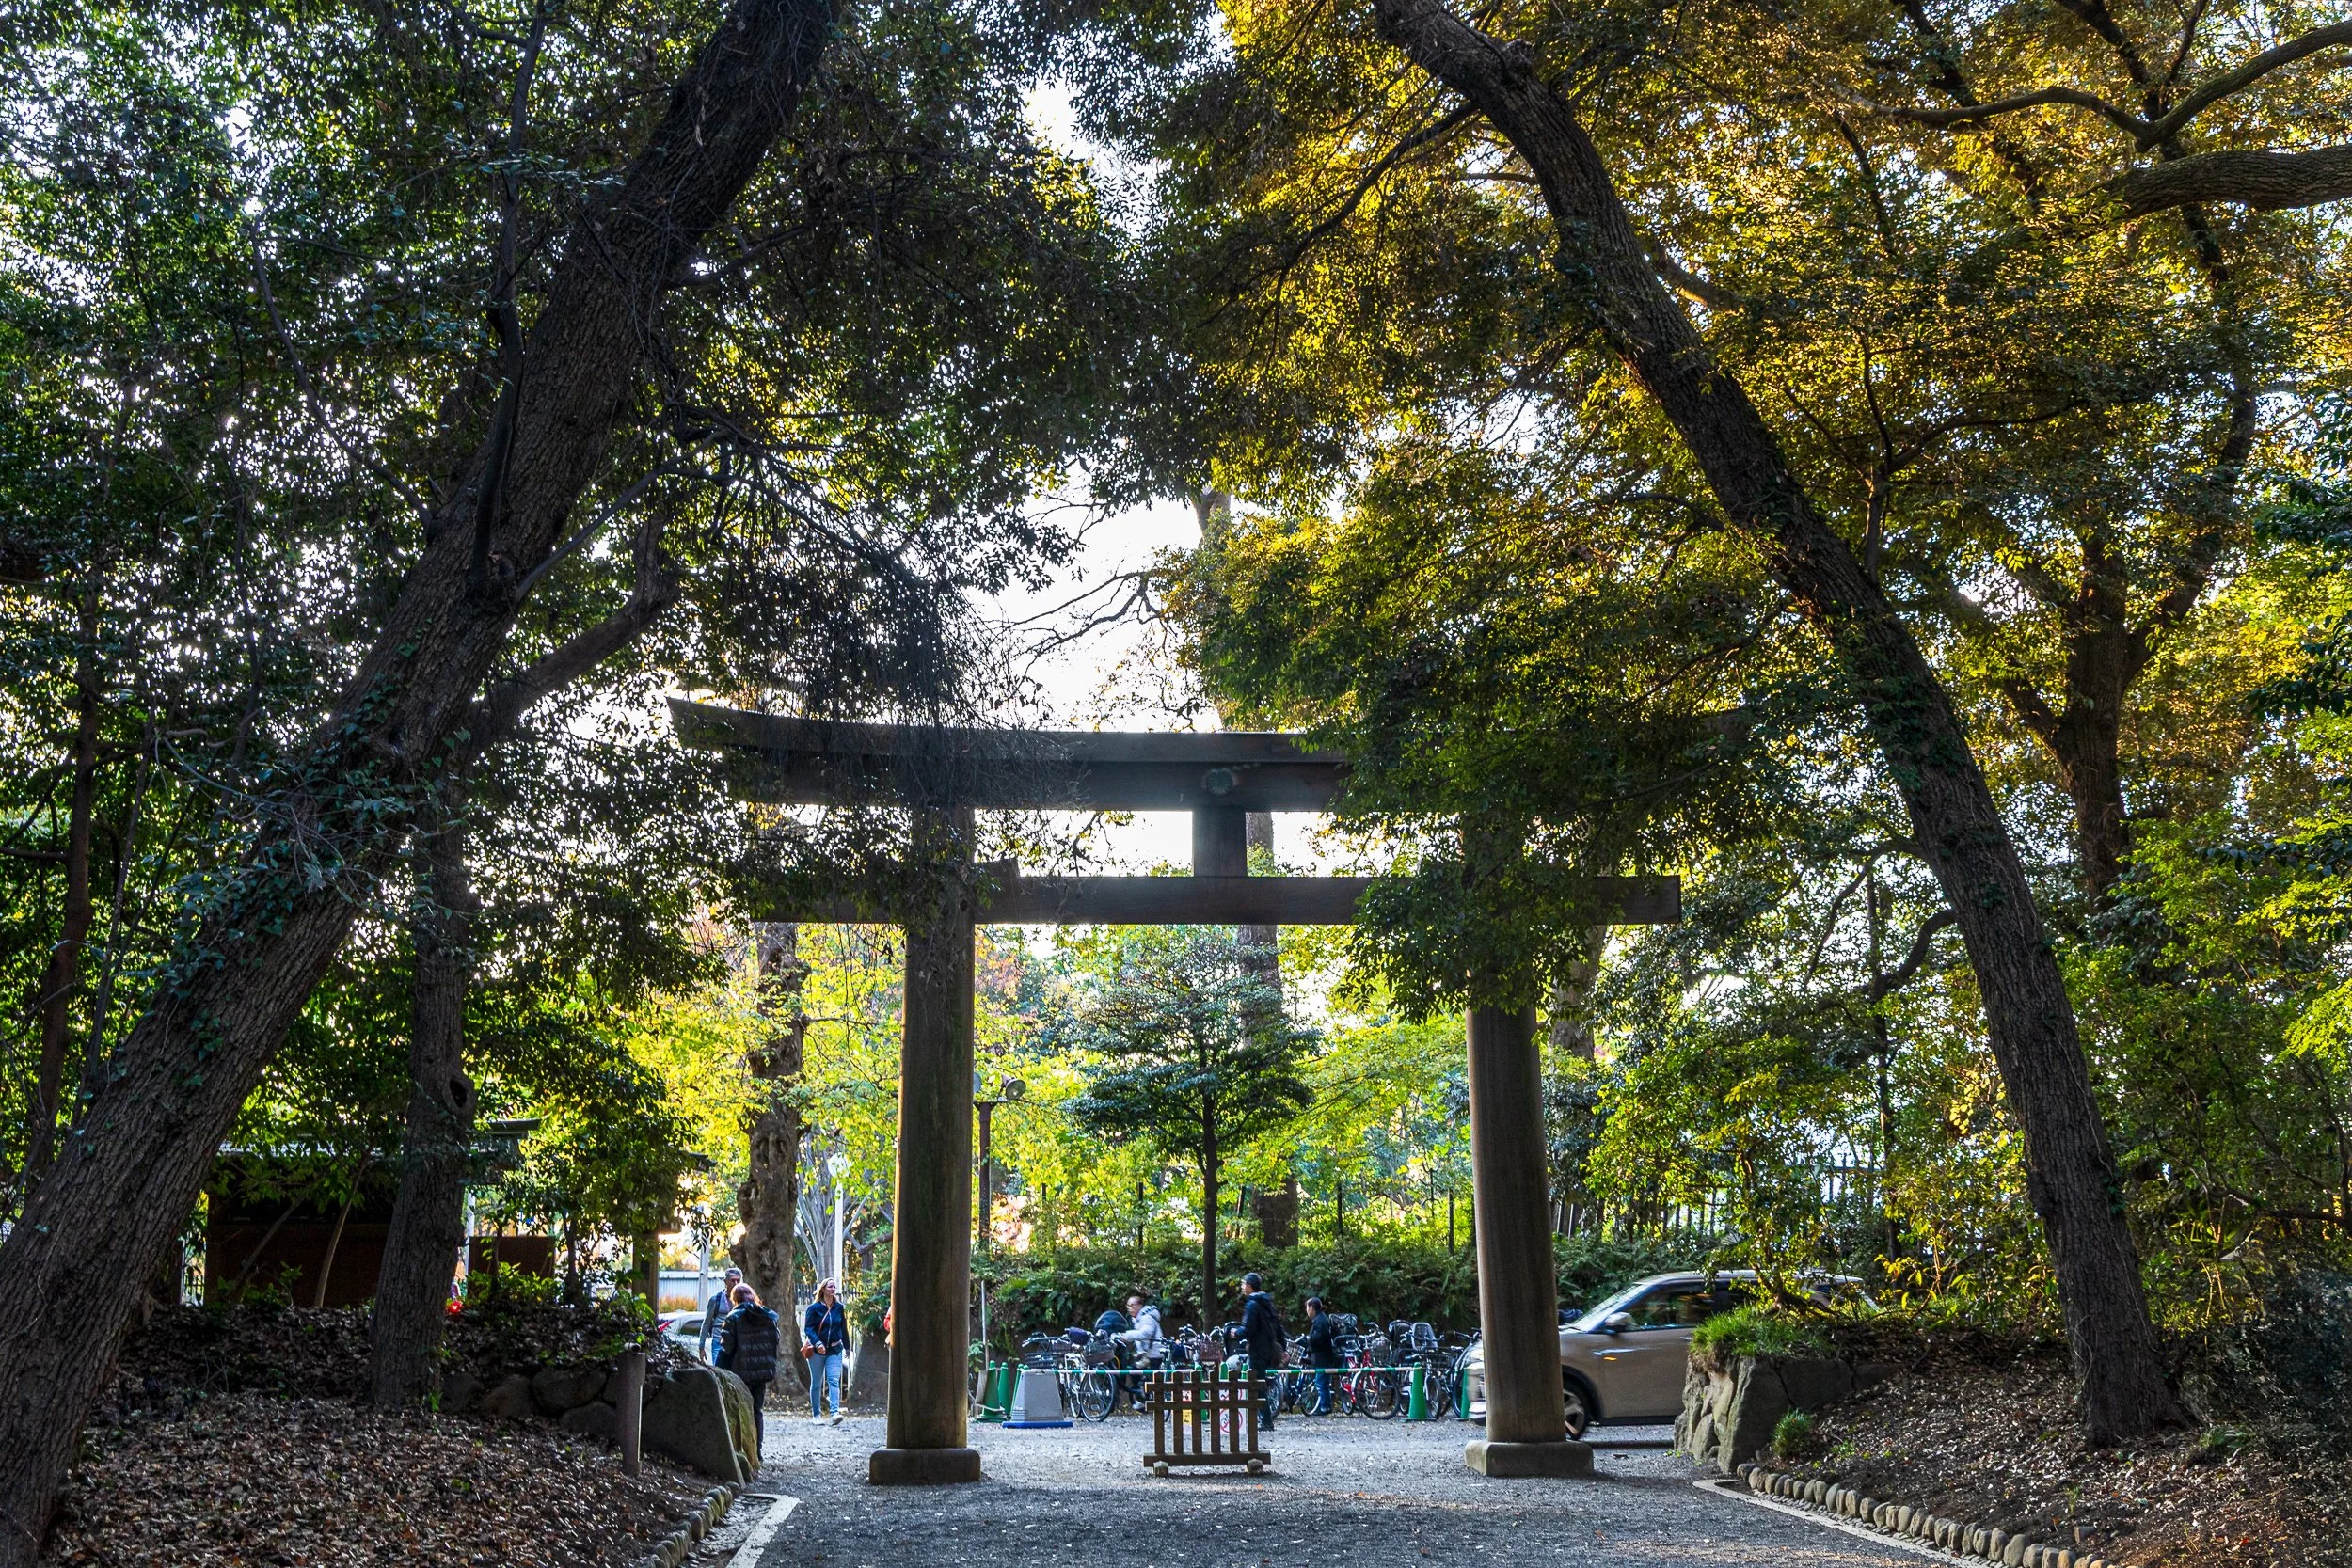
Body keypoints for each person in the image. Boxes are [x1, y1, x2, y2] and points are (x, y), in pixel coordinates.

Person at [721, 1282, 782, 1422]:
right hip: (762, 1371)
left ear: (734, 1298)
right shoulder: (768, 1316)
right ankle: (758, 1444)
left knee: (741, 1409)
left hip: (740, 1371)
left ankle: (744, 1443)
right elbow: (776, 1339)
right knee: (757, 1410)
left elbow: (727, 1347)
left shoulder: (733, 1317)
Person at [1238, 1272, 1284, 1429]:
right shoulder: (1267, 1303)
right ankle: (1264, 1418)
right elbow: (1278, 1327)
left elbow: (1248, 1328)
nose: (1242, 1287)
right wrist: (1283, 1346)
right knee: (1260, 1382)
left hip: (1257, 1349)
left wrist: (1235, 1333)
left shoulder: (1252, 1305)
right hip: (1269, 1348)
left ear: (1250, 1287)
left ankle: (1265, 1420)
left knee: (1257, 1384)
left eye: (1244, 1284)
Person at [803, 1277, 848, 1424]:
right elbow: (808, 1328)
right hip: (817, 1351)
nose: (833, 1289)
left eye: (834, 1287)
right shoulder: (814, 1308)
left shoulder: (839, 1307)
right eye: (830, 1286)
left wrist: (847, 1345)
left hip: (835, 1350)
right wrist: (817, 1343)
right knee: (816, 1383)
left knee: (834, 1380)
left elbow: (843, 1328)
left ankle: (834, 1413)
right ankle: (816, 1414)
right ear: (823, 1289)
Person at [1113, 1292, 1165, 1402]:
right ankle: (1145, 1397)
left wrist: (1127, 1336)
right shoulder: (1138, 1319)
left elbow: (1145, 1333)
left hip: (1154, 1353)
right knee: (1135, 1372)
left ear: (1140, 1306)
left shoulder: (1146, 1318)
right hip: (1147, 1354)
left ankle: (1152, 1399)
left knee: (1152, 1379)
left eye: (1132, 1305)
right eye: (1128, 1306)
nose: (1129, 1308)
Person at [1300, 1296, 1344, 1412]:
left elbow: (1319, 1338)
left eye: (1307, 1307)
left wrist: (1309, 1339)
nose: (1306, 1310)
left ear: (1311, 1308)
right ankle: (1325, 1406)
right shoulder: (1321, 1319)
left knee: (1321, 1383)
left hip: (1322, 1356)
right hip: (1323, 1356)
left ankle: (1324, 1407)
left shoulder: (1320, 1321)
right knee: (1323, 1382)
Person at [702, 1267, 743, 1363]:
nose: (736, 1284)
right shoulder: (715, 1300)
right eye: (733, 1281)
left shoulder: (743, 1300)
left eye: (738, 1280)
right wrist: (701, 1346)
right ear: (726, 1281)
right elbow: (706, 1323)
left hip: (737, 1344)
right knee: (720, 1373)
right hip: (718, 1342)